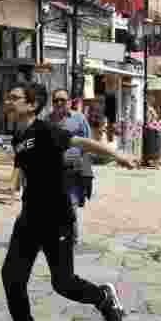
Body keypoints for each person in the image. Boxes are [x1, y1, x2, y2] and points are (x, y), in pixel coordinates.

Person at [0, 83, 137, 321]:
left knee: (63, 283)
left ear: (32, 105)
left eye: (14, 97)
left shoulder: (45, 130)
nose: (8, 101)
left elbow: (81, 142)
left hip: (57, 219)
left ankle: (103, 298)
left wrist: (118, 155)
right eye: (7, 97)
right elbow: (24, 172)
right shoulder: (17, 137)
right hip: (29, 218)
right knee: (11, 276)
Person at [49, 88, 93, 245]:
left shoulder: (79, 119)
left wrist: (87, 173)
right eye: (55, 100)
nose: (59, 103)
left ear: (69, 102)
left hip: (73, 171)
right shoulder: (47, 121)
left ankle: (71, 238)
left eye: (62, 100)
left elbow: (89, 145)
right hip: (52, 172)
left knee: (71, 204)